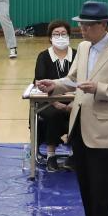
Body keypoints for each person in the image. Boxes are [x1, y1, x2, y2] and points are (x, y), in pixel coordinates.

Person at [36, 1, 108, 216]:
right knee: (86, 183)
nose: (82, 30)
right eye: (81, 25)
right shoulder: (82, 48)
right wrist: (54, 85)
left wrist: (99, 89)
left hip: (103, 128)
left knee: (102, 185)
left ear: (103, 25)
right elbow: (72, 80)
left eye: (88, 26)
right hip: (79, 124)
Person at [33, 20, 76, 172]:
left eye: (63, 34)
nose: (60, 37)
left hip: (74, 101)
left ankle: (74, 154)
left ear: (69, 36)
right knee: (55, 114)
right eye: (56, 34)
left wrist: (72, 104)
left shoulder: (77, 55)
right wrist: (56, 103)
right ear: (50, 38)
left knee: (82, 112)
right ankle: (51, 156)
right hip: (48, 102)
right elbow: (39, 83)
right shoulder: (43, 56)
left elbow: (83, 80)